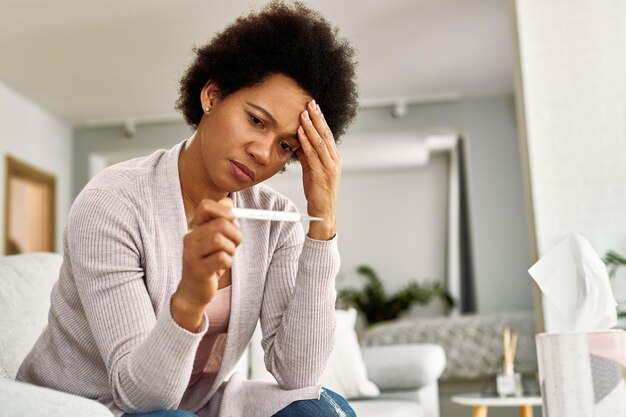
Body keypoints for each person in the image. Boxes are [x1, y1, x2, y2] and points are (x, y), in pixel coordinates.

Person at [16, 1, 359, 417]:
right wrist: (191, 298)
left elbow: (298, 373)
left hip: (193, 406)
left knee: (319, 408)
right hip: (87, 405)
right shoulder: (112, 203)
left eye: (286, 145)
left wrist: (323, 223)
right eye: (256, 120)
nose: (263, 152)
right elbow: (141, 398)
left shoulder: (275, 221)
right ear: (212, 96)